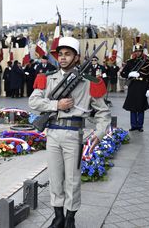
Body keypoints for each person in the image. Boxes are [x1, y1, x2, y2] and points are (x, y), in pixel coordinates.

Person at [29, 37, 110, 228]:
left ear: (76, 57)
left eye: (68, 54)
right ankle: (58, 217)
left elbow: (103, 112)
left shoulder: (90, 82)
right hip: (53, 133)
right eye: (60, 54)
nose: (63, 58)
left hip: (74, 134)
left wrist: (98, 134)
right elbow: (33, 102)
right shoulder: (47, 78)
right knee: (56, 178)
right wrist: (57, 104)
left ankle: (70, 218)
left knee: (72, 181)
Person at [120, 43, 149, 132]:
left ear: (142, 51)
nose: (138, 53)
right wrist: (129, 74)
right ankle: (133, 125)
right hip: (133, 85)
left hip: (142, 85)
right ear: (134, 52)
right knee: (132, 106)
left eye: (139, 51)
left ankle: (140, 125)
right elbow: (122, 73)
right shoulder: (130, 62)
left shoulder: (148, 62)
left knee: (140, 106)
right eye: (136, 51)